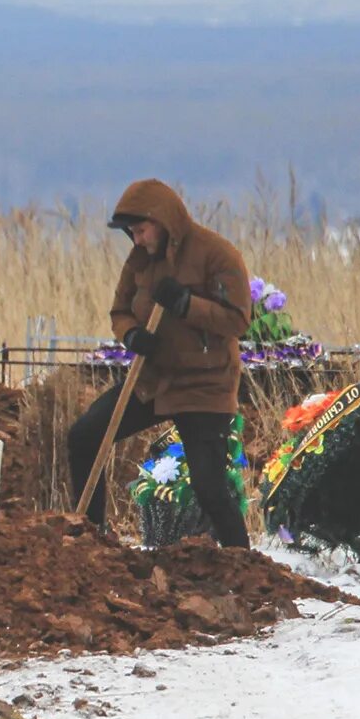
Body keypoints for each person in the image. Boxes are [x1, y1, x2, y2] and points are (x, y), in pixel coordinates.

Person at [69, 179, 252, 548]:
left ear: (163, 221)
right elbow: (120, 311)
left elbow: (237, 320)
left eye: (140, 230)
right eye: (131, 233)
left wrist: (187, 304)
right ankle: (92, 540)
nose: (136, 240)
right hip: (153, 380)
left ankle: (242, 562)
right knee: (86, 435)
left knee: (209, 484)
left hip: (205, 383)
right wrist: (132, 335)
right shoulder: (139, 261)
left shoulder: (217, 253)